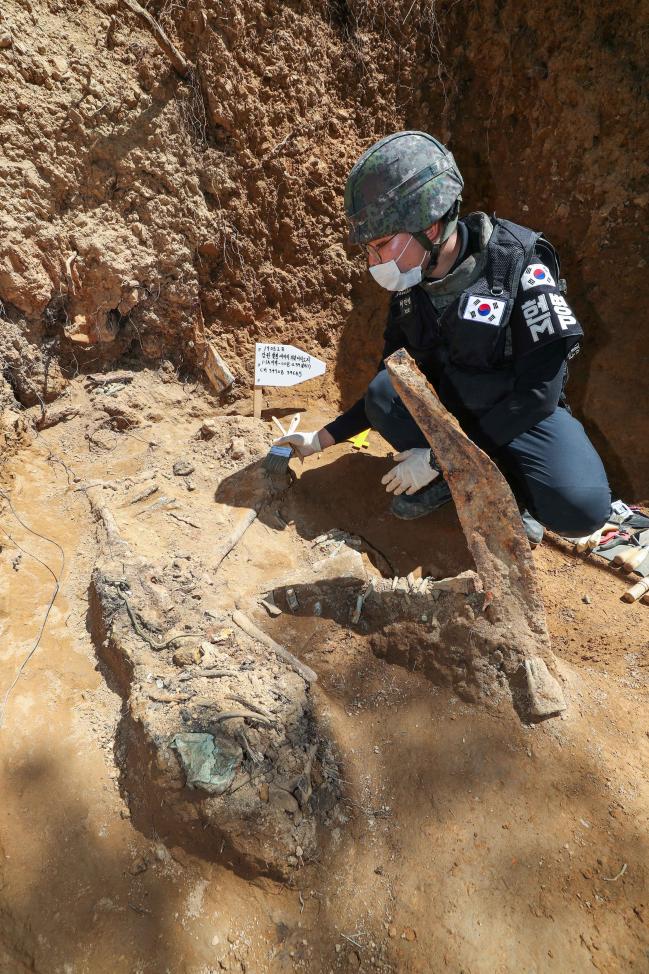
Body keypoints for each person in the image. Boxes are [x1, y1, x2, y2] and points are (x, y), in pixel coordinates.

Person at [275, 130, 613, 545]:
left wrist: (439, 459)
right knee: (385, 395)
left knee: (581, 506)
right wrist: (321, 438)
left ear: (432, 228)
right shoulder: (410, 281)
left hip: (517, 415)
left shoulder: (519, 263)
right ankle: (457, 483)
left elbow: (539, 393)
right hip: (452, 414)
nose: (373, 261)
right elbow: (393, 375)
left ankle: (504, 493)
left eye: (381, 245)